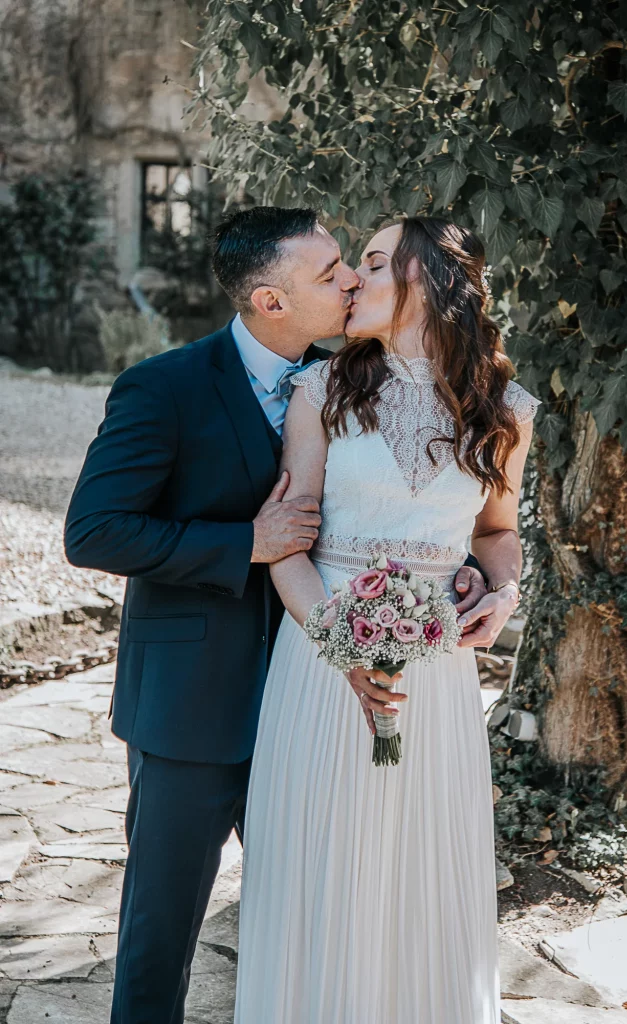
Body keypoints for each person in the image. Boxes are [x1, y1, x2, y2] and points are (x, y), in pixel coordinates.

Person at [63, 206, 486, 1024]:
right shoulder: (166, 386)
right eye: (330, 274)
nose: (352, 280)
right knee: (161, 929)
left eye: (351, 265)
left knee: (317, 912)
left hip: (315, 704)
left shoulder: (350, 383)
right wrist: (244, 544)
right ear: (272, 301)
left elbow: (392, 513)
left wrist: (466, 573)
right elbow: (95, 531)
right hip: (192, 702)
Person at [235, 216, 539, 1024]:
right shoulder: (321, 389)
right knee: (323, 861)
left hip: (435, 678)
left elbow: (497, 534)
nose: (352, 281)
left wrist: (503, 591)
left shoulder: (506, 408)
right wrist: (341, 646)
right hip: (322, 662)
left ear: (428, 280)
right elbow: (285, 542)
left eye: (372, 262)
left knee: (421, 868)